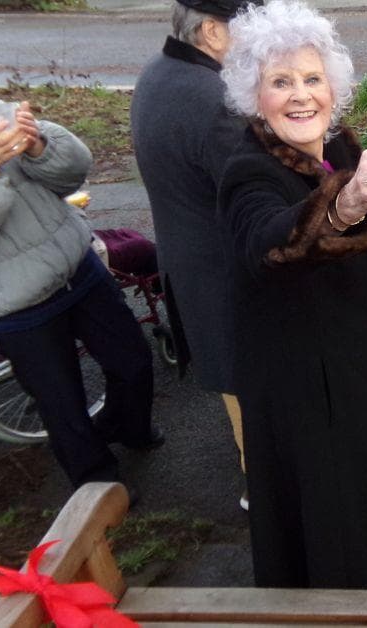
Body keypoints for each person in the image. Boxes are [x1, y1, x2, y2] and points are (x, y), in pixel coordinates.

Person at [217, 0, 367, 589]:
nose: (301, 96)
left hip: (354, 373)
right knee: (332, 531)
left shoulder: (339, 153)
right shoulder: (247, 171)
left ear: (334, 87)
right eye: (280, 82)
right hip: (301, 393)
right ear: (255, 95)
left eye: (312, 78)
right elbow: (272, 248)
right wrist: (347, 203)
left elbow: (350, 257)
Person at [0, 42, 160, 490]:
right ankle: (98, 484)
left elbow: (72, 173)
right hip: (10, 303)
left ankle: (129, 429)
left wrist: (41, 145)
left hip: (75, 269)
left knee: (134, 361)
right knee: (61, 403)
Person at [131, 0, 257, 511]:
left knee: (236, 384)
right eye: (252, 26)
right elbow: (257, 197)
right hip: (227, 273)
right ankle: (267, 489)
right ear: (212, 32)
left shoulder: (160, 73)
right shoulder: (216, 101)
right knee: (254, 386)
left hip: (189, 259)